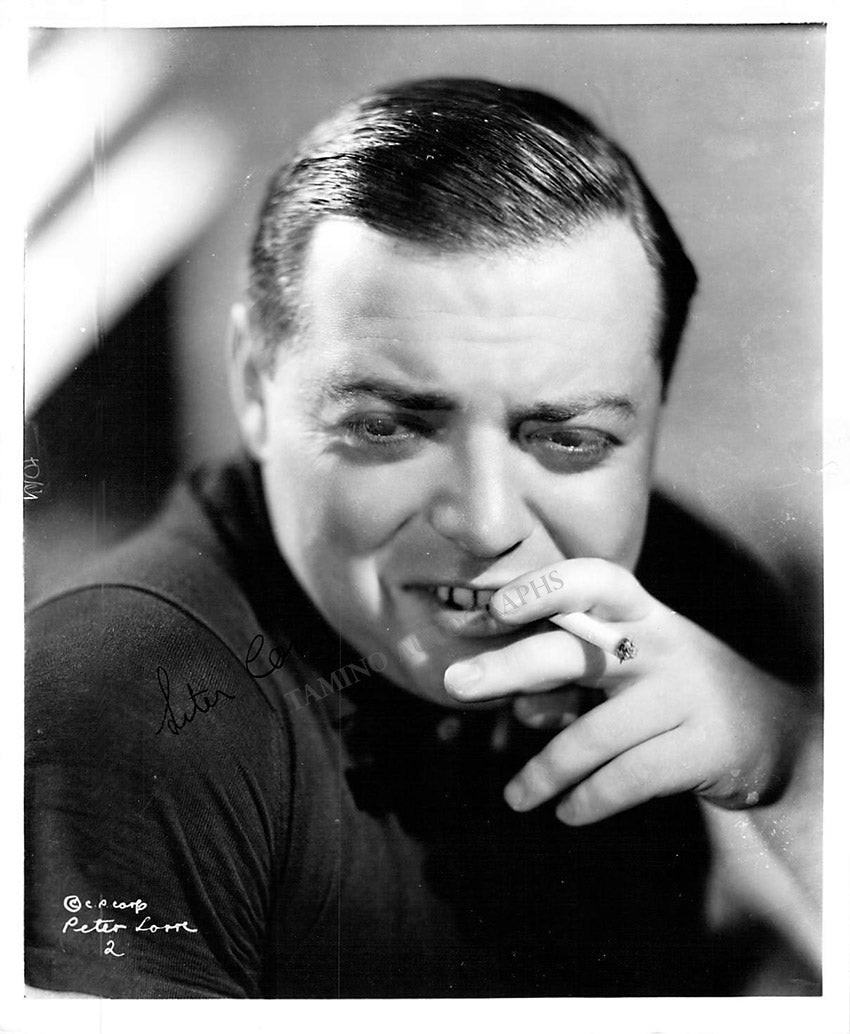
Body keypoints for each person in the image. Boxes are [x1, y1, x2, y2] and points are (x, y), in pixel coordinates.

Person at [25, 77, 822, 999]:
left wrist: (794, 767)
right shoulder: (118, 708)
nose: (487, 524)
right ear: (253, 385)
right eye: (388, 428)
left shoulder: (698, 608)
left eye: (568, 439)